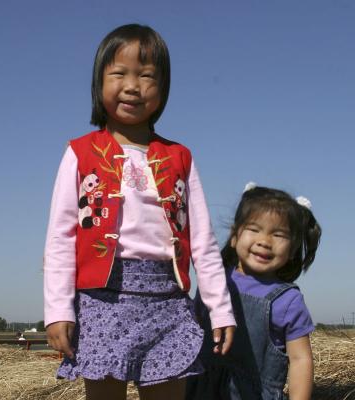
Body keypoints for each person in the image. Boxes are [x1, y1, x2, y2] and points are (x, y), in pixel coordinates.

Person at [43, 24, 235, 400]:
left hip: (168, 301)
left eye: (147, 76)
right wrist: (57, 309)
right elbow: (61, 237)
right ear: (99, 82)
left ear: (163, 88)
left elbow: (203, 242)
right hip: (102, 301)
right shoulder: (80, 153)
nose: (133, 85)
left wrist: (221, 309)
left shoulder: (180, 157)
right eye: (119, 74)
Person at [186, 183, 322, 400]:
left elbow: (300, 360)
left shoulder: (287, 300)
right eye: (254, 229)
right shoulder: (214, 281)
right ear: (234, 236)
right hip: (199, 389)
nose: (265, 241)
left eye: (279, 235)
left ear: (293, 248)